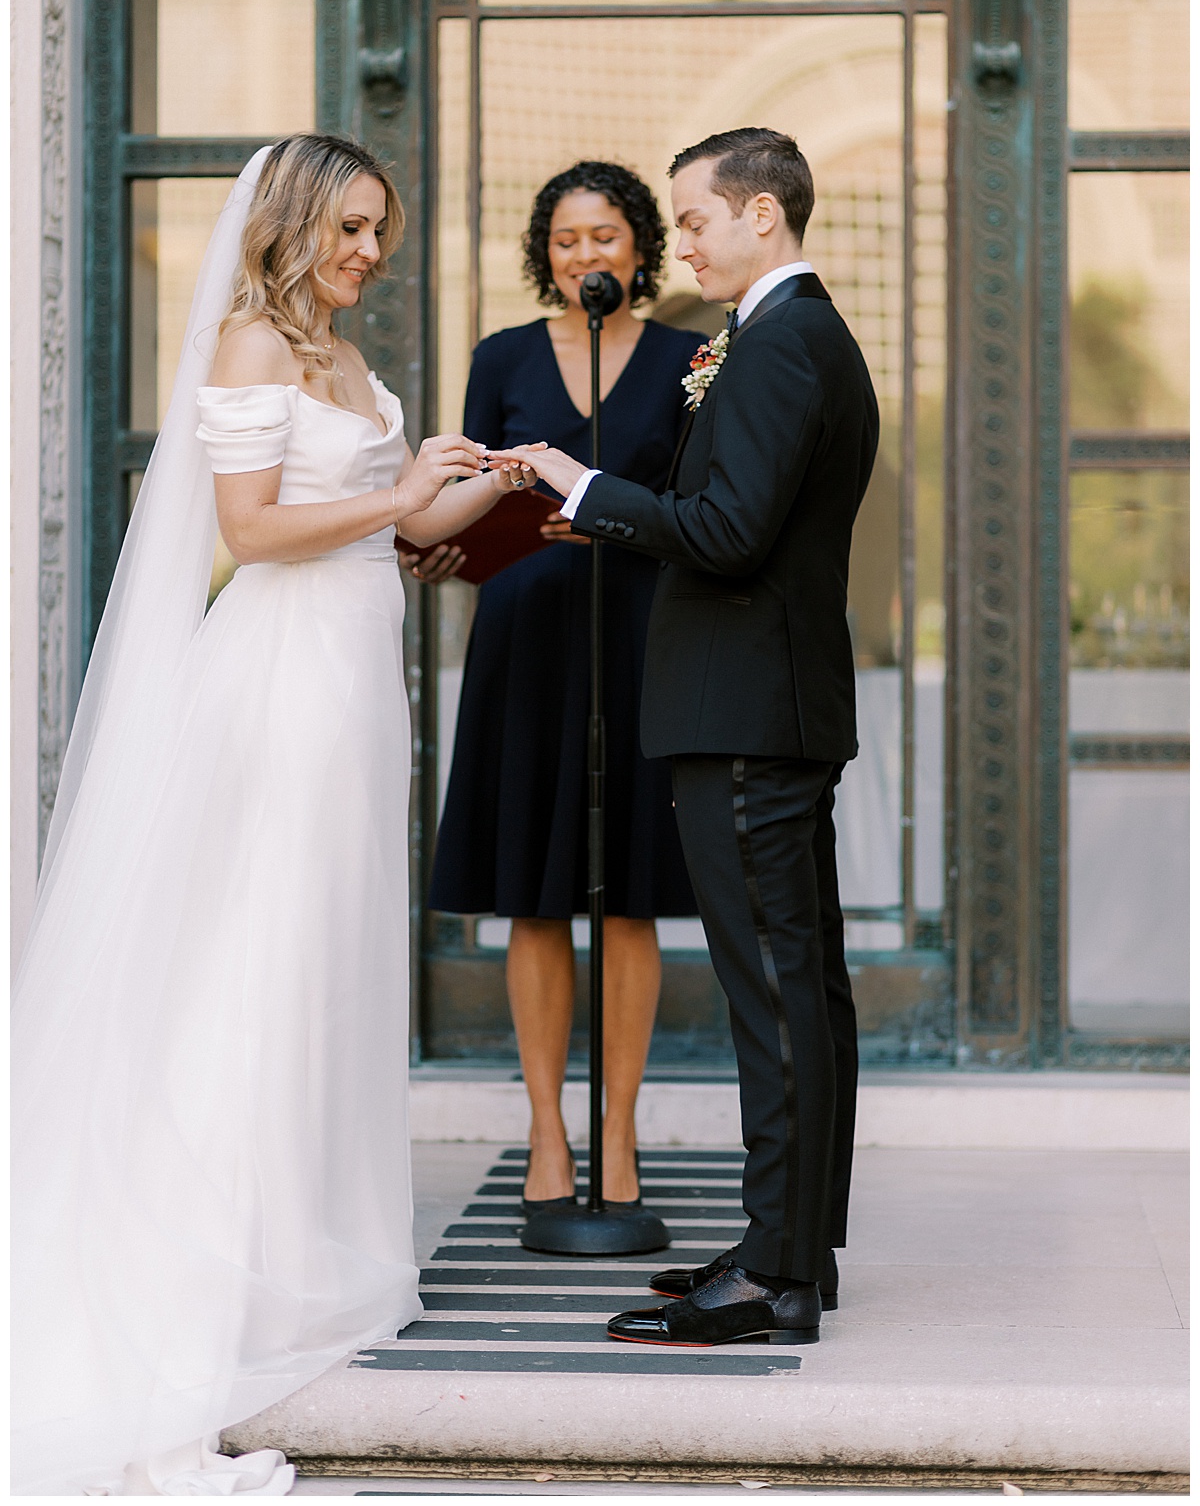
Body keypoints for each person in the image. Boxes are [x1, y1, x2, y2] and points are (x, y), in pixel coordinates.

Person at [11, 133, 537, 1495]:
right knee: (254, 962)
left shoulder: (354, 367)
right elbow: (249, 531)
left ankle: (302, 1242)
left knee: (317, 967)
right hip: (280, 685)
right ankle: (218, 1262)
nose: (370, 252)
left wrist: (480, 501)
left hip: (355, 682)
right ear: (293, 221)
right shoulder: (250, 347)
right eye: (353, 227)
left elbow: (378, 532)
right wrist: (393, 493)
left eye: (382, 232)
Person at [495, 128, 879, 1346]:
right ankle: (790, 1246)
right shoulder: (783, 338)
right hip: (764, 705)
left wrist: (582, 482)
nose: (687, 240)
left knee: (774, 991)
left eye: (698, 218)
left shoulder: (779, 346)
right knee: (798, 985)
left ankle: (776, 1273)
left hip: (750, 714)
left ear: (762, 214)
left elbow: (726, 531)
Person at [424, 162, 702, 1209]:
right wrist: (449, 539)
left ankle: (618, 1136)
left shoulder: (691, 358)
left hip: (639, 636)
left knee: (628, 895)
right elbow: (462, 493)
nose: (587, 255)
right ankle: (548, 1135)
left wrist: (613, 515)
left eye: (606, 235)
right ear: (547, 254)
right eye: (567, 239)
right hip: (526, 637)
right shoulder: (501, 357)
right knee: (535, 899)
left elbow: (703, 508)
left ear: (641, 245)